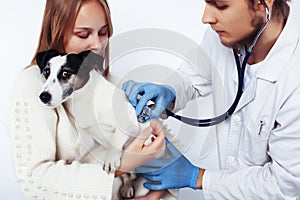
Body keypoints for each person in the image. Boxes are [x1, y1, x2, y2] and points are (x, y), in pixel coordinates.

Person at [122, 0, 300, 199]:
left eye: (221, 6)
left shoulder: (294, 76)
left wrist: (197, 177)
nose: (206, 18)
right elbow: (194, 75)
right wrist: (169, 91)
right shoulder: (227, 34)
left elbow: (284, 184)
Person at [6, 0, 166, 199]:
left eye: (104, 32)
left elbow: (165, 154)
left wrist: (161, 189)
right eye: (83, 34)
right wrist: (125, 163)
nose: (98, 45)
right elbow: (34, 181)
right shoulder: (32, 86)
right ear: (56, 31)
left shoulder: (110, 83)